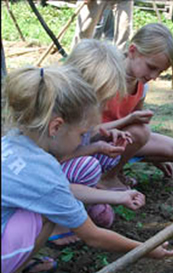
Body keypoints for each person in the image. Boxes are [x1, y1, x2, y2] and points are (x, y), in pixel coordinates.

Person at [1, 66, 173, 273]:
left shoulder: (15, 141)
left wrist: (118, 197)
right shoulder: (43, 174)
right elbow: (93, 236)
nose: (84, 139)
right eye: (83, 133)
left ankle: (14, 265)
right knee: (44, 215)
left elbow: (62, 192)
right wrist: (145, 248)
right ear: (56, 127)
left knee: (46, 208)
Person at [45, 39, 136, 248]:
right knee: (89, 165)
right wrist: (95, 147)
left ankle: (89, 197)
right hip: (52, 174)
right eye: (100, 99)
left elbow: (86, 136)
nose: (103, 106)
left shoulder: (82, 108)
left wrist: (104, 136)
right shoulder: (59, 115)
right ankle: (58, 224)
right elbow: (57, 159)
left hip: (67, 167)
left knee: (105, 156)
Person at [96, 23, 173, 190]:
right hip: (94, 138)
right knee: (140, 131)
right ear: (132, 51)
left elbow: (135, 128)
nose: (154, 76)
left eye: (160, 71)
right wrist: (129, 122)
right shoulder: (105, 79)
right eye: (151, 67)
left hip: (118, 140)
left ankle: (115, 167)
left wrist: (154, 157)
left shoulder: (141, 85)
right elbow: (86, 130)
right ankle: (108, 177)